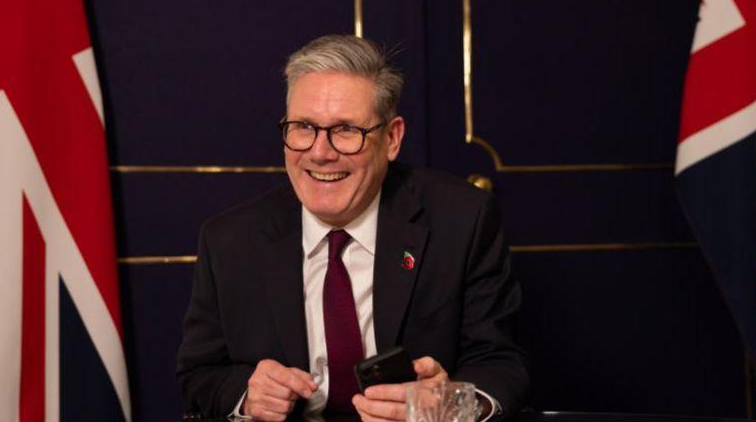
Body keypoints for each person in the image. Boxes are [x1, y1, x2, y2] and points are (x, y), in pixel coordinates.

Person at [176, 35, 528, 421]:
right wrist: (248, 395)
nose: (320, 152)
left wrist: (454, 406)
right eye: (303, 127)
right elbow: (200, 373)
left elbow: (499, 362)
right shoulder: (230, 240)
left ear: (391, 139)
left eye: (346, 130)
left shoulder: (462, 220)